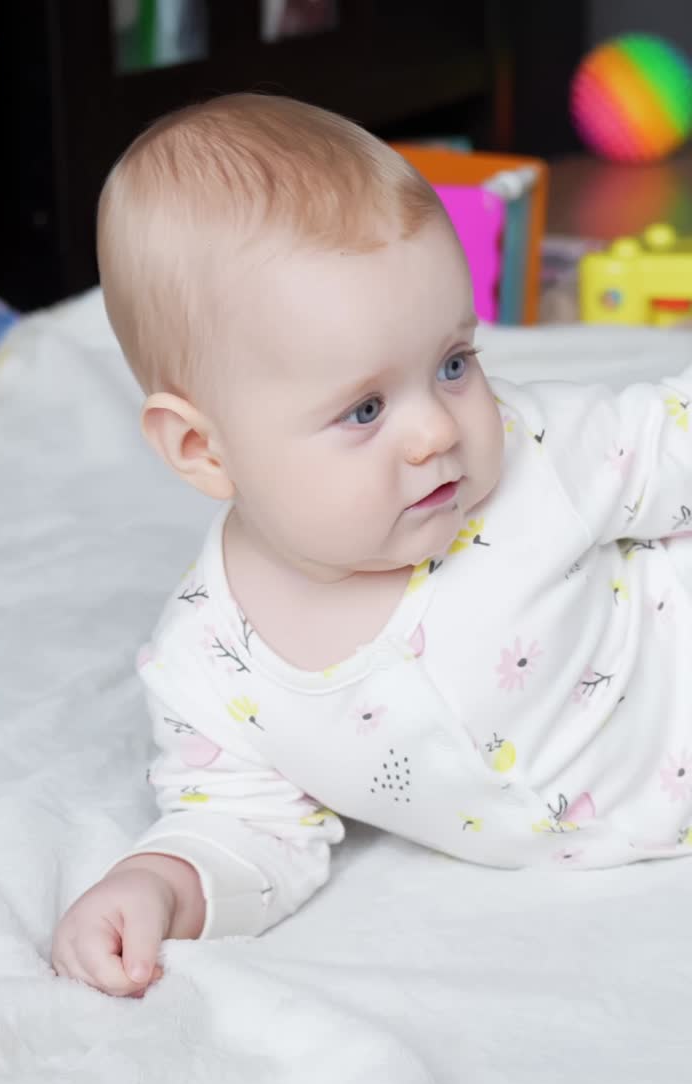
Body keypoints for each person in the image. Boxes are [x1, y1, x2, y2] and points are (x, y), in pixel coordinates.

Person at [51, 93, 692, 997]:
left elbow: (671, 439)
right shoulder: (212, 667)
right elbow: (240, 825)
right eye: (363, 408)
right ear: (204, 448)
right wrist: (159, 884)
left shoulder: (537, 454)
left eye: (454, 363)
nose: (437, 429)